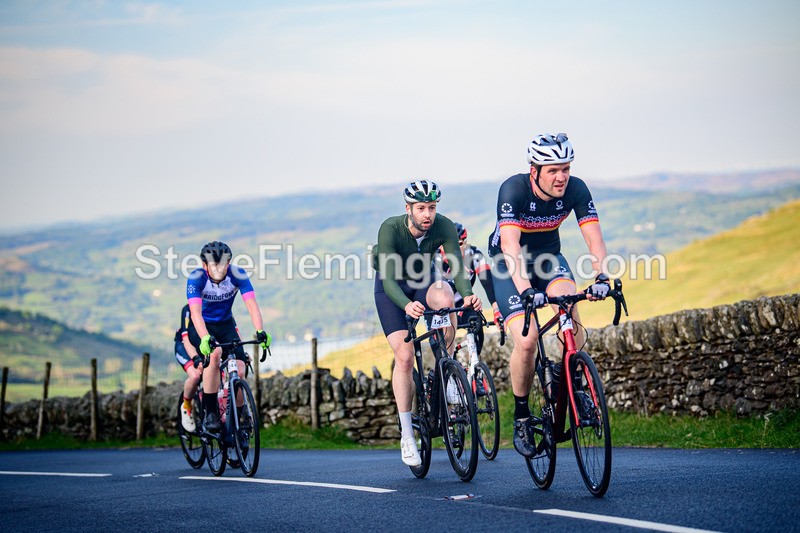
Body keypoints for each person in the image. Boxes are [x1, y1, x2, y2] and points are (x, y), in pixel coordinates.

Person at [487, 133, 610, 458]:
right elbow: (511, 246)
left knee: (569, 304)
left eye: (565, 169)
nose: (561, 177)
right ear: (535, 170)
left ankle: (577, 383)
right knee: (527, 341)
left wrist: (602, 275)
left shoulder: (576, 189)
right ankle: (523, 415)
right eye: (553, 170)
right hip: (507, 265)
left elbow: (594, 238)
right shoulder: (514, 189)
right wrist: (526, 290)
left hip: (549, 259)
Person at [373, 180, 482, 467]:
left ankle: (443, 369)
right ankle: (407, 435)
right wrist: (407, 305)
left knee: (446, 296)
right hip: (391, 289)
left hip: (424, 281)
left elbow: (456, 267)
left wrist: (468, 295)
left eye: (432, 208)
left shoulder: (443, 226)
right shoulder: (391, 228)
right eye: (421, 208)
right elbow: (387, 279)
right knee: (405, 358)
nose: (427, 214)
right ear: (408, 208)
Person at [186, 241, 272, 433]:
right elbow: (195, 313)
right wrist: (204, 338)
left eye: (223, 264)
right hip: (202, 327)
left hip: (226, 325)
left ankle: (240, 417)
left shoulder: (237, 274)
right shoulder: (197, 278)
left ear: (229, 262)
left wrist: (260, 330)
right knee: (215, 355)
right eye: (214, 265)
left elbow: (251, 304)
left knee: (240, 372)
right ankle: (210, 413)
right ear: (205, 265)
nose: (219, 269)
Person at [434, 221, 502, 355]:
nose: (455, 249)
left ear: (465, 242)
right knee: (442, 353)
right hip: (439, 308)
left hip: (462, 306)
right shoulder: (434, 259)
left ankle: (475, 367)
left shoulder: (474, 254)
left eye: (460, 244)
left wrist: (496, 309)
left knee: (476, 322)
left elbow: (488, 282)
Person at [174, 304, 203, 432]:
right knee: (196, 375)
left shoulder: (218, 305)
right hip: (184, 346)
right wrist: (196, 358)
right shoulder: (187, 309)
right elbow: (186, 338)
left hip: (201, 346)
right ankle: (186, 406)